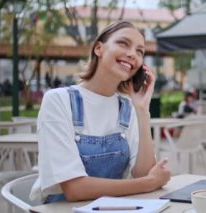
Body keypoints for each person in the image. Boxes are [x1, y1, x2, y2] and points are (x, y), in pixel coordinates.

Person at [30, 21, 171, 203]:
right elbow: (75, 189)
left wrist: (143, 111)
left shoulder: (128, 108)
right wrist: (148, 183)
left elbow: (142, 173)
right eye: (123, 43)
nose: (132, 54)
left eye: (140, 51)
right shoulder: (58, 100)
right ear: (98, 48)